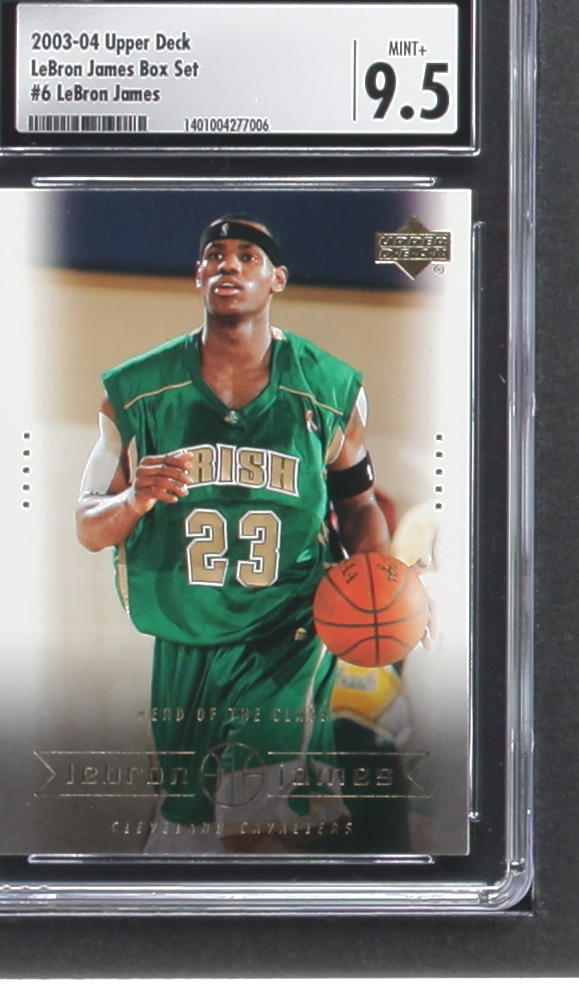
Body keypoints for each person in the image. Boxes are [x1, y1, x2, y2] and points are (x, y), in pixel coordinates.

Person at [76, 215, 390, 853]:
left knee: (260, 825)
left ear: (277, 279)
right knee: (185, 841)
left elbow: (359, 505)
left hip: (287, 631)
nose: (229, 264)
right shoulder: (137, 391)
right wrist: (135, 499)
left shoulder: (328, 387)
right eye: (215, 254)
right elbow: (88, 525)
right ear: (197, 275)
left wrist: (378, 580)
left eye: (248, 256)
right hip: (184, 635)